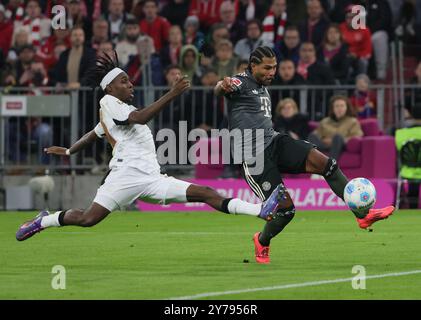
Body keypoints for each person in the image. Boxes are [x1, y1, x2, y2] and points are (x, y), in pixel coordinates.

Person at [16, 52, 284, 242]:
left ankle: (261, 210)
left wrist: (69, 151)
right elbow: (140, 118)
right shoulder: (109, 103)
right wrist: (172, 93)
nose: (130, 84)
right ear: (109, 87)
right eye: (124, 81)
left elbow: (95, 133)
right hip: (125, 176)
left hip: (151, 178)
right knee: (88, 219)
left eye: (130, 81)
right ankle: (43, 221)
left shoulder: (118, 109)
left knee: (205, 192)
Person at [214, 46, 394, 264]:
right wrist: (222, 85)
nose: (272, 72)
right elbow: (221, 89)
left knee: (327, 164)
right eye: (267, 68)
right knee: (285, 211)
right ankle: (262, 240)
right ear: (253, 66)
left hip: (274, 142)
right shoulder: (240, 82)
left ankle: (363, 216)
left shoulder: (262, 84)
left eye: (275, 67)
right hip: (255, 159)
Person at [308, 95, 363, 160]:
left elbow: (357, 136)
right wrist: (324, 141)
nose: (339, 108)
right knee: (311, 136)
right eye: (337, 106)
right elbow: (316, 135)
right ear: (333, 108)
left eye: (342, 106)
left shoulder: (352, 121)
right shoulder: (325, 121)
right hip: (324, 145)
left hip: (341, 145)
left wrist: (334, 141)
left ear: (346, 108)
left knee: (337, 137)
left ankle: (330, 164)